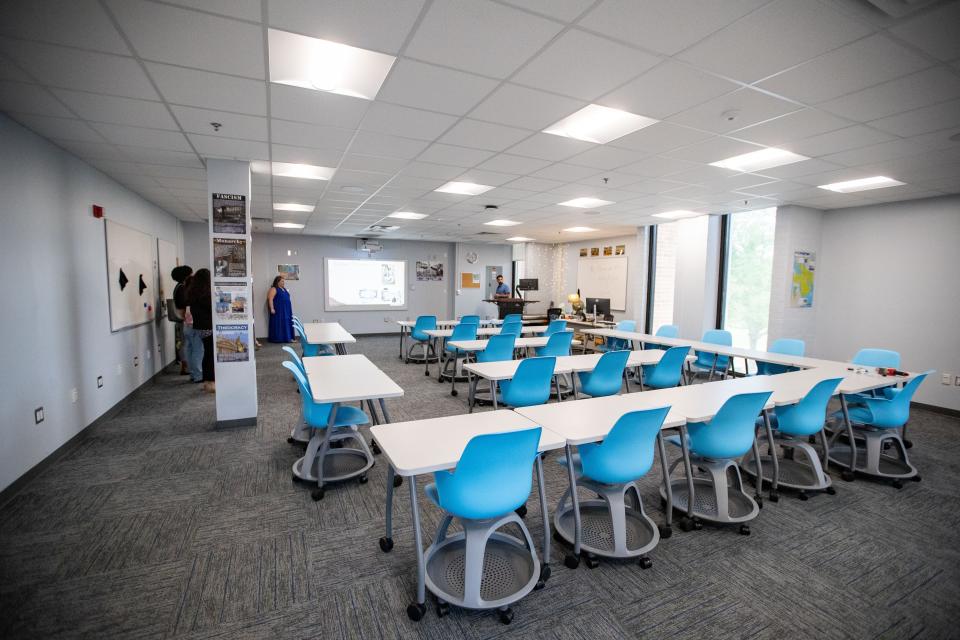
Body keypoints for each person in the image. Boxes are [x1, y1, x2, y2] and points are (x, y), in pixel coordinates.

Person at [185, 268, 215, 392]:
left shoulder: (193, 293)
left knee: (206, 353)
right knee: (209, 355)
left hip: (200, 327)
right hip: (208, 326)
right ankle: (210, 381)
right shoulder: (206, 295)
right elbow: (212, 310)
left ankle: (206, 381)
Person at [171, 265, 193, 376]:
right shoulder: (181, 288)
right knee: (185, 343)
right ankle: (185, 366)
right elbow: (184, 303)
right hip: (184, 319)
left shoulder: (178, 287)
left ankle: (185, 365)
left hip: (182, 319)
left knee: (184, 343)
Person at [267, 274, 294, 343]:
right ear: (277, 282)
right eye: (282, 281)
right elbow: (270, 299)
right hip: (279, 310)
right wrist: (272, 308)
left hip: (286, 310)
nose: (283, 283)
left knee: (286, 323)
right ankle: (278, 339)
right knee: (278, 324)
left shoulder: (284, 289)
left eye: (283, 281)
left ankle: (287, 338)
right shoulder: (273, 289)